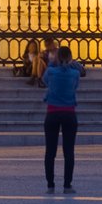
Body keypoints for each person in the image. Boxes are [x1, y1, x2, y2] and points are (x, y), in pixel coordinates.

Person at [43, 44, 86, 194]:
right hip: (69, 113)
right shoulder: (74, 73)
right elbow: (78, 81)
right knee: (69, 151)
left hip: (52, 113)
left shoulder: (51, 71)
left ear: (57, 57)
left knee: (50, 151)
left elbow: (45, 81)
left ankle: (50, 185)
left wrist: (52, 63)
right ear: (70, 58)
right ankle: (67, 185)